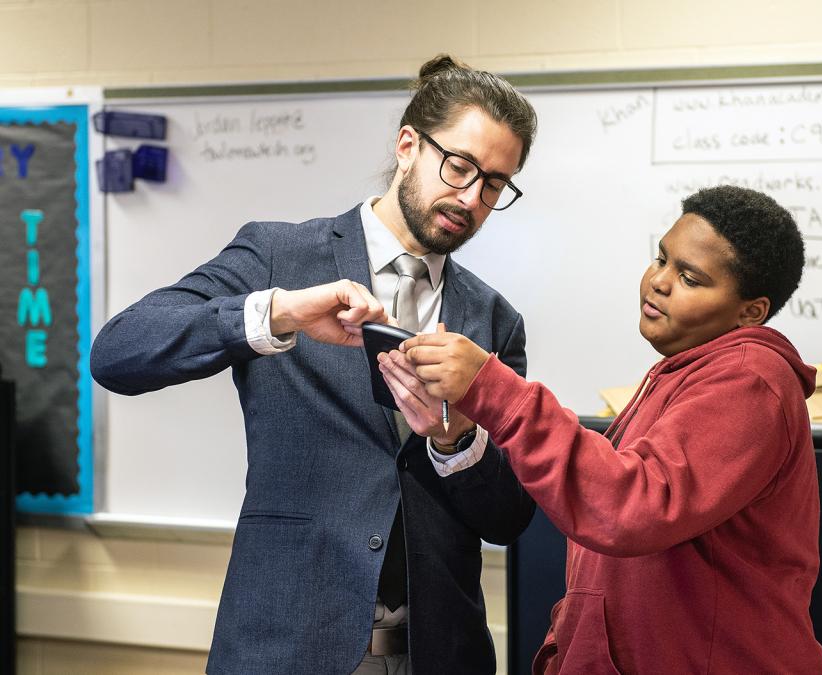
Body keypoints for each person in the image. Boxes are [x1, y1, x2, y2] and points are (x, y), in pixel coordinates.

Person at [90, 54, 538, 675]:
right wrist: (277, 314)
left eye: (494, 184)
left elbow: (510, 516)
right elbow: (119, 353)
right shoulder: (280, 259)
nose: (470, 197)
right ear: (407, 144)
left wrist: (455, 439)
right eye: (459, 166)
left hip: (439, 654)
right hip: (285, 646)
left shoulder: (493, 320)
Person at [382, 185, 822, 674]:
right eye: (661, 259)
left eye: (691, 278)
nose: (658, 282)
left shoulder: (750, 380)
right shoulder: (683, 372)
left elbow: (628, 507)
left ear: (751, 312)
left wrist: (494, 389)